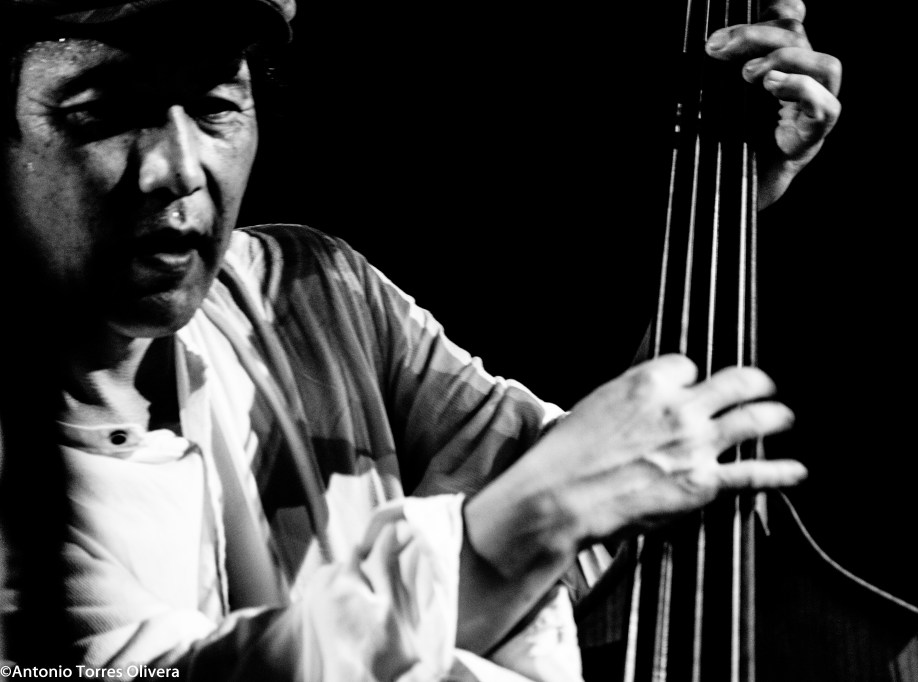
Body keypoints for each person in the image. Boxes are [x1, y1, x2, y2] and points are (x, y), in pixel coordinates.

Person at [0, 0, 841, 679]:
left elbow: (608, 506)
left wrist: (725, 208)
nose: (179, 169)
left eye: (217, 104)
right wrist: (513, 531)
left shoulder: (311, 295)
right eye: (104, 112)